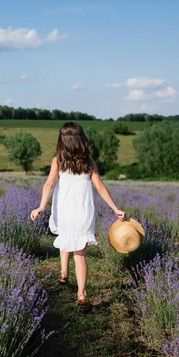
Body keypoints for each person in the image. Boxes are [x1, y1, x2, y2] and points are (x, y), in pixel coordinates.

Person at [30, 122, 125, 312]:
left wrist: (41, 206)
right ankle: (82, 295)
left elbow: (49, 184)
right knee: (80, 255)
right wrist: (115, 208)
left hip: (64, 210)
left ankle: (64, 272)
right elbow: (100, 187)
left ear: (62, 141)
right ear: (81, 140)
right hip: (83, 212)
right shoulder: (88, 162)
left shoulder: (58, 161)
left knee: (65, 238)